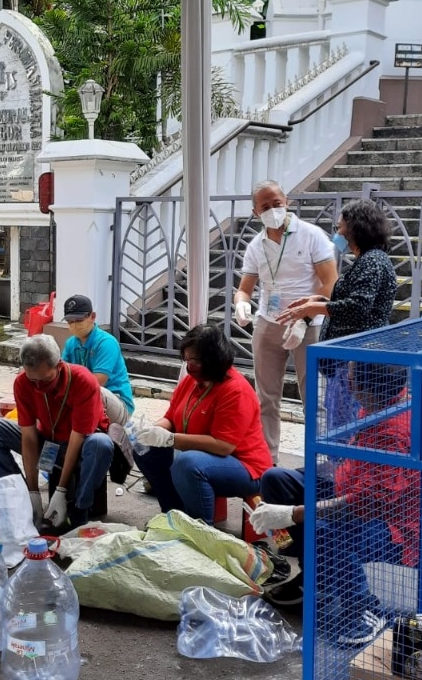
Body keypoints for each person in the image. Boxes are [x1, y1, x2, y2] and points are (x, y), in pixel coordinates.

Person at [250, 362, 422, 647]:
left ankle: (364, 606)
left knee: (324, 527)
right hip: (352, 486)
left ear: (366, 387)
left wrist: (294, 513)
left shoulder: (396, 431)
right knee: (276, 480)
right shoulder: (379, 405)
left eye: (351, 378)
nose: (346, 382)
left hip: (397, 526)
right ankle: (316, 576)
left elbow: (366, 505)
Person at [234, 180, 338, 463]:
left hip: (308, 325)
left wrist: (305, 317)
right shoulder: (256, 246)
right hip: (269, 321)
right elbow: (245, 287)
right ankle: (267, 461)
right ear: (256, 212)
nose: (272, 210)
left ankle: (318, 464)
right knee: (265, 398)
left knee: (314, 399)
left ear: (287, 201)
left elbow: (331, 284)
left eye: (276, 203)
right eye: (265, 207)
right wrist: (241, 304)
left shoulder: (312, 235)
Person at [275, 198, 397, 431]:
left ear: (356, 228)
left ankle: (338, 467)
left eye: (340, 227)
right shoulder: (368, 261)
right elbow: (353, 302)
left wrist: (314, 309)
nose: (338, 233)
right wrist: (318, 300)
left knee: (343, 426)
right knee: (339, 421)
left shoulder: (372, 262)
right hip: (347, 360)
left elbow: (358, 308)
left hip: (355, 360)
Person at [132, 324, 272, 525]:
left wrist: (171, 439)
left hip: (244, 466)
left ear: (213, 359)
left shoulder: (235, 390)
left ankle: (200, 527)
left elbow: (224, 446)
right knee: (145, 450)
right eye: (186, 360)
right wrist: (152, 431)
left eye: (194, 361)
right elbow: (171, 418)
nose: (189, 366)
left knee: (188, 463)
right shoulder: (191, 381)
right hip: (204, 456)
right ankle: (173, 514)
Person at [0, 334, 114, 532]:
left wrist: (61, 491)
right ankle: (18, 499)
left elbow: (77, 438)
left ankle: (79, 511)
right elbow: (29, 437)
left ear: (59, 365)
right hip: (48, 440)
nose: (39, 387)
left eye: (45, 379)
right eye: (34, 380)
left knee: (101, 444)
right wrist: (33, 493)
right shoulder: (23, 383)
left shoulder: (83, 381)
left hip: (80, 445)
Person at [60, 294, 135, 427]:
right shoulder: (71, 344)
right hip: (84, 400)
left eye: (79, 320)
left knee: (92, 389)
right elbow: (60, 375)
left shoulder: (106, 342)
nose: (74, 325)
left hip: (116, 403)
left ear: (92, 317)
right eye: (70, 321)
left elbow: (96, 382)